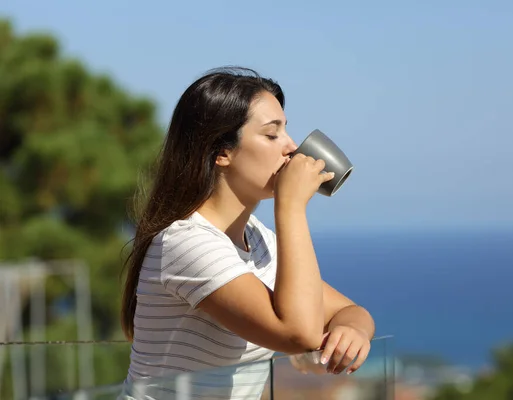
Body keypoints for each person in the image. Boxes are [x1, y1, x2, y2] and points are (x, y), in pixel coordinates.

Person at [119, 67, 375, 399]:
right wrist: (291, 206)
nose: (292, 147)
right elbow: (298, 334)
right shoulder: (186, 242)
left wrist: (351, 330)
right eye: (272, 135)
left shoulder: (256, 239)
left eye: (286, 131)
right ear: (221, 152)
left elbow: (350, 311)